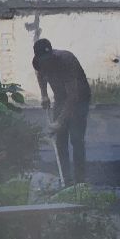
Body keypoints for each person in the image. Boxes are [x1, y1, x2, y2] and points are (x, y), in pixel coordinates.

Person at [32, 38, 91, 187]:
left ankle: (80, 181)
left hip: (80, 98)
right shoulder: (39, 63)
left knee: (76, 139)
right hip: (60, 97)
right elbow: (40, 75)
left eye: (48, 59)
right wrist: (44, 95)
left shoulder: (66, 61)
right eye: (43, 61)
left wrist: (60, 121)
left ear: (52, 54)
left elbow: (73, 96)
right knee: (60, 140)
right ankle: (66, 180)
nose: (46, 64)